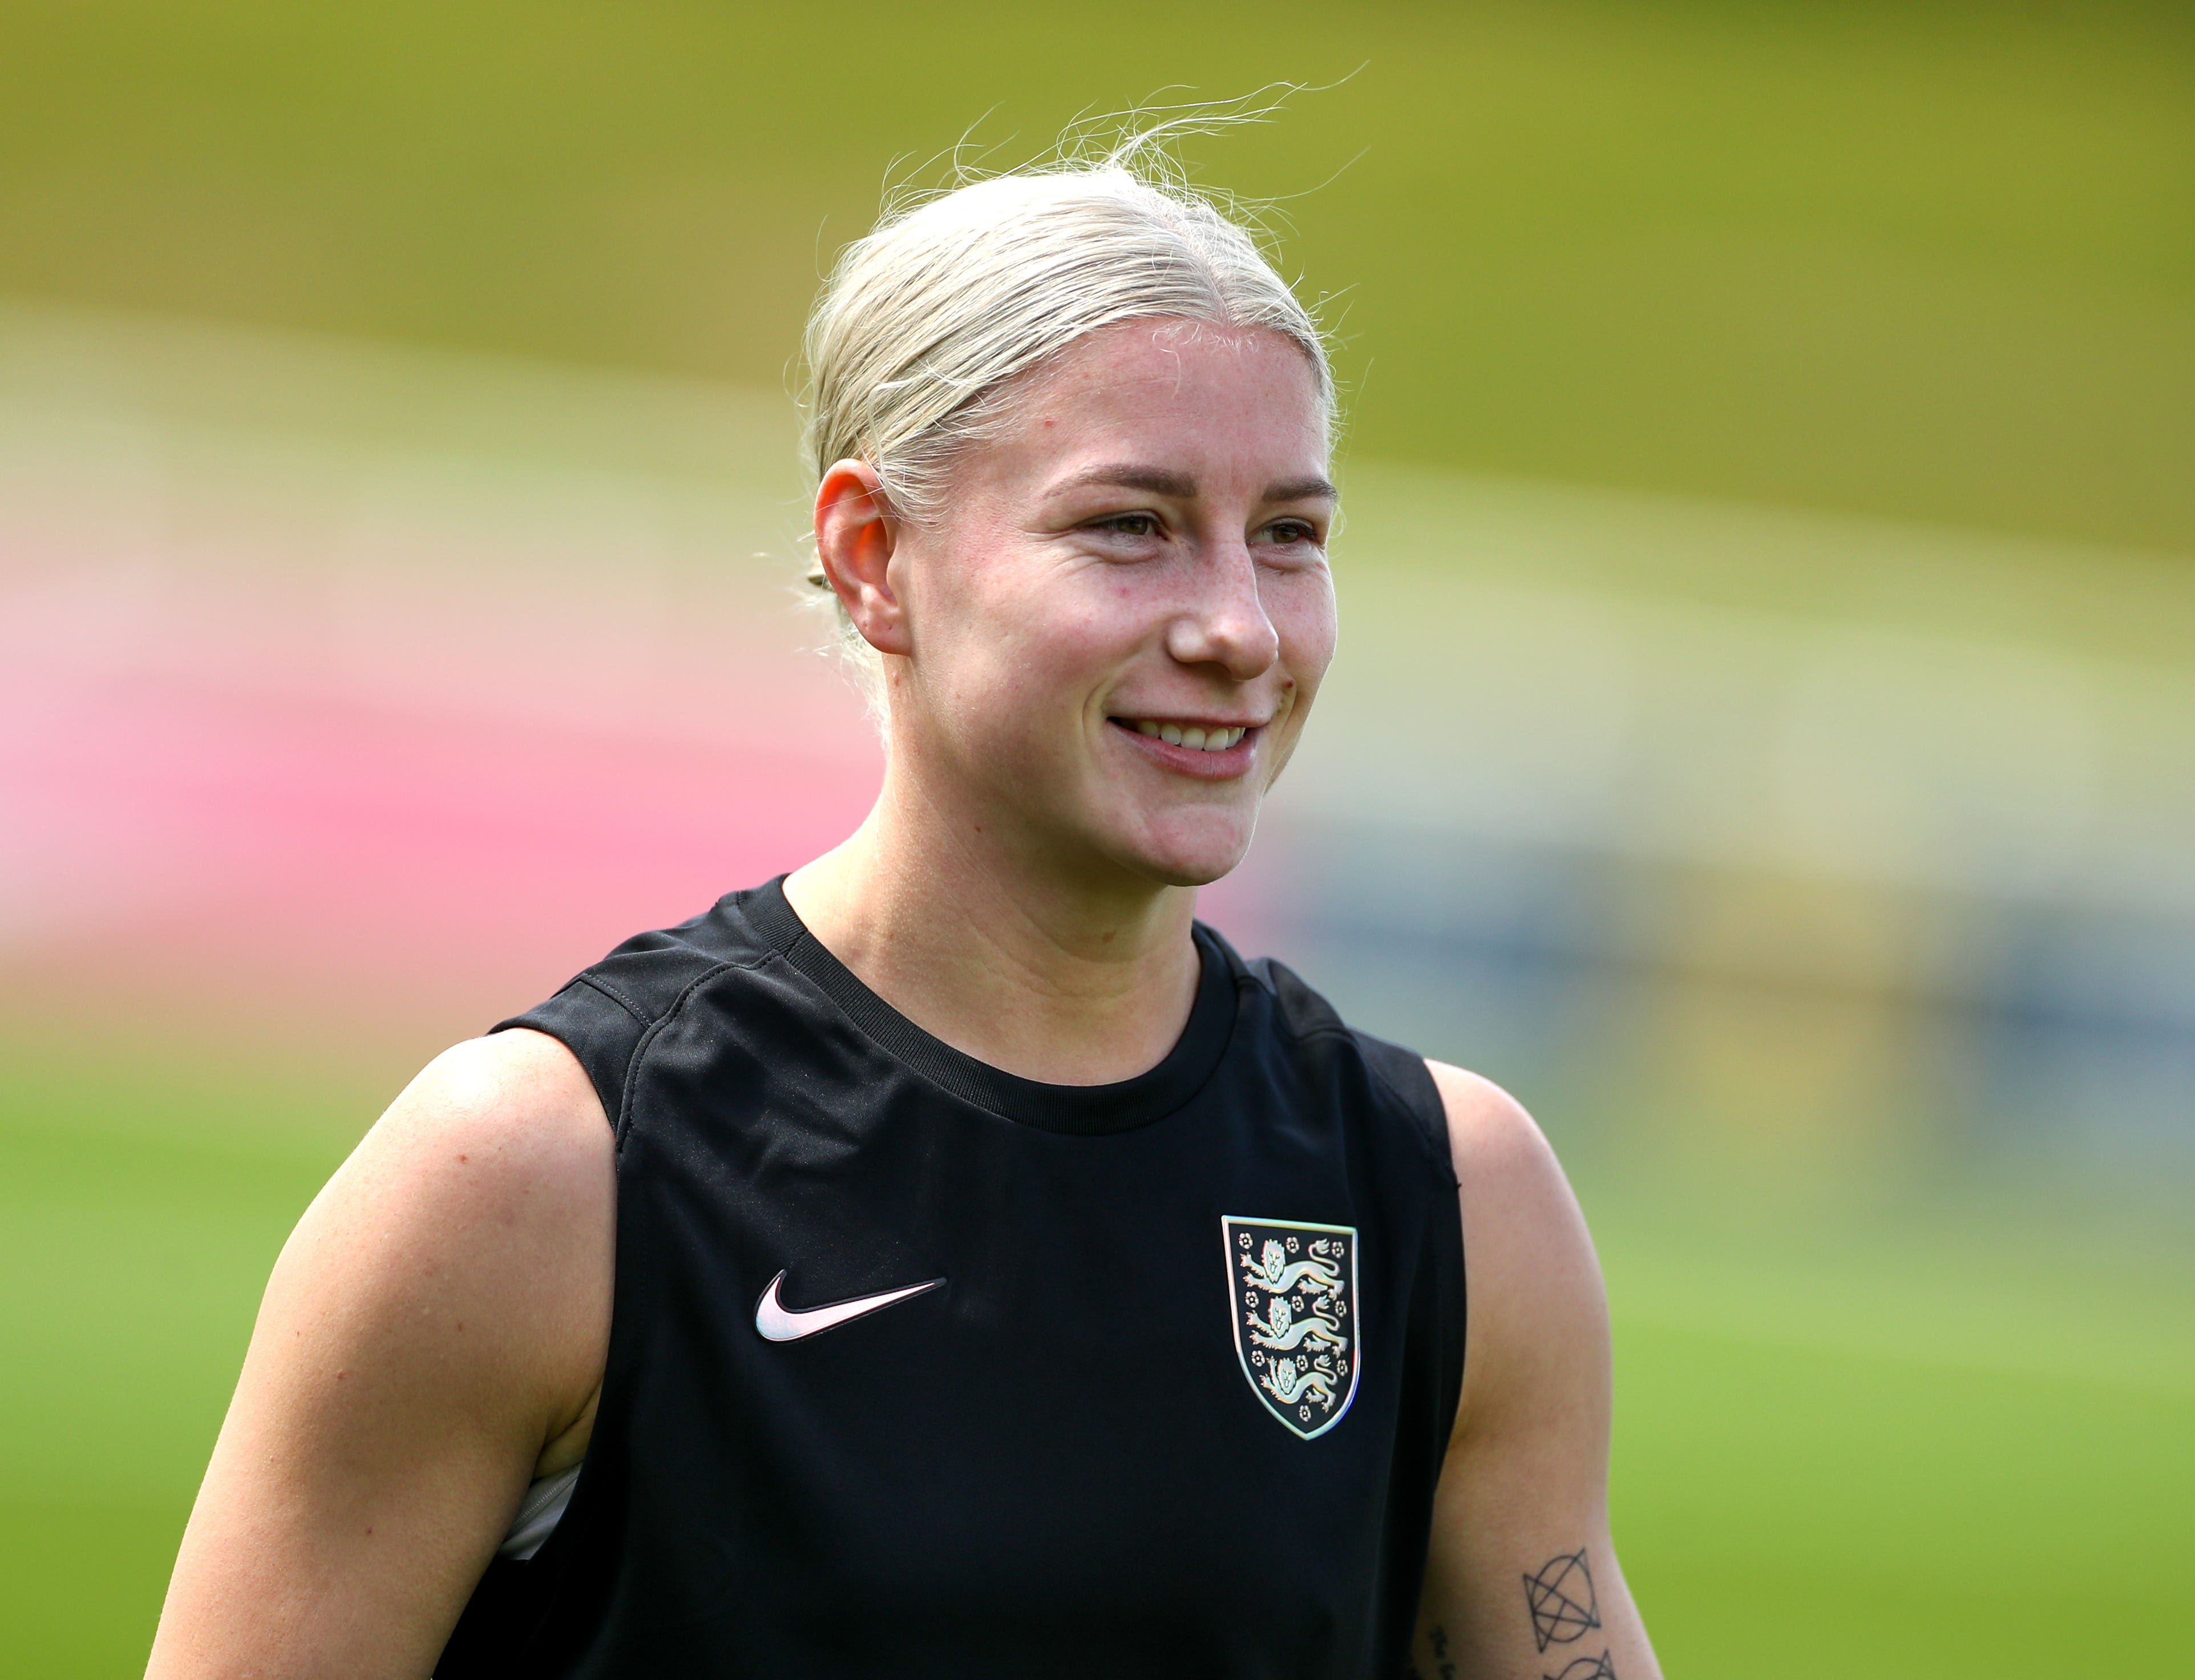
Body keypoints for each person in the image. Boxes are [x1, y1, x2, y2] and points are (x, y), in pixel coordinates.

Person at [145, 139, 1663, 1679]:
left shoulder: (1448, 1196)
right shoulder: (542, 1172)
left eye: (1290, 534)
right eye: (1129, 526)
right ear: (877, 559)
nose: (1237, 627)